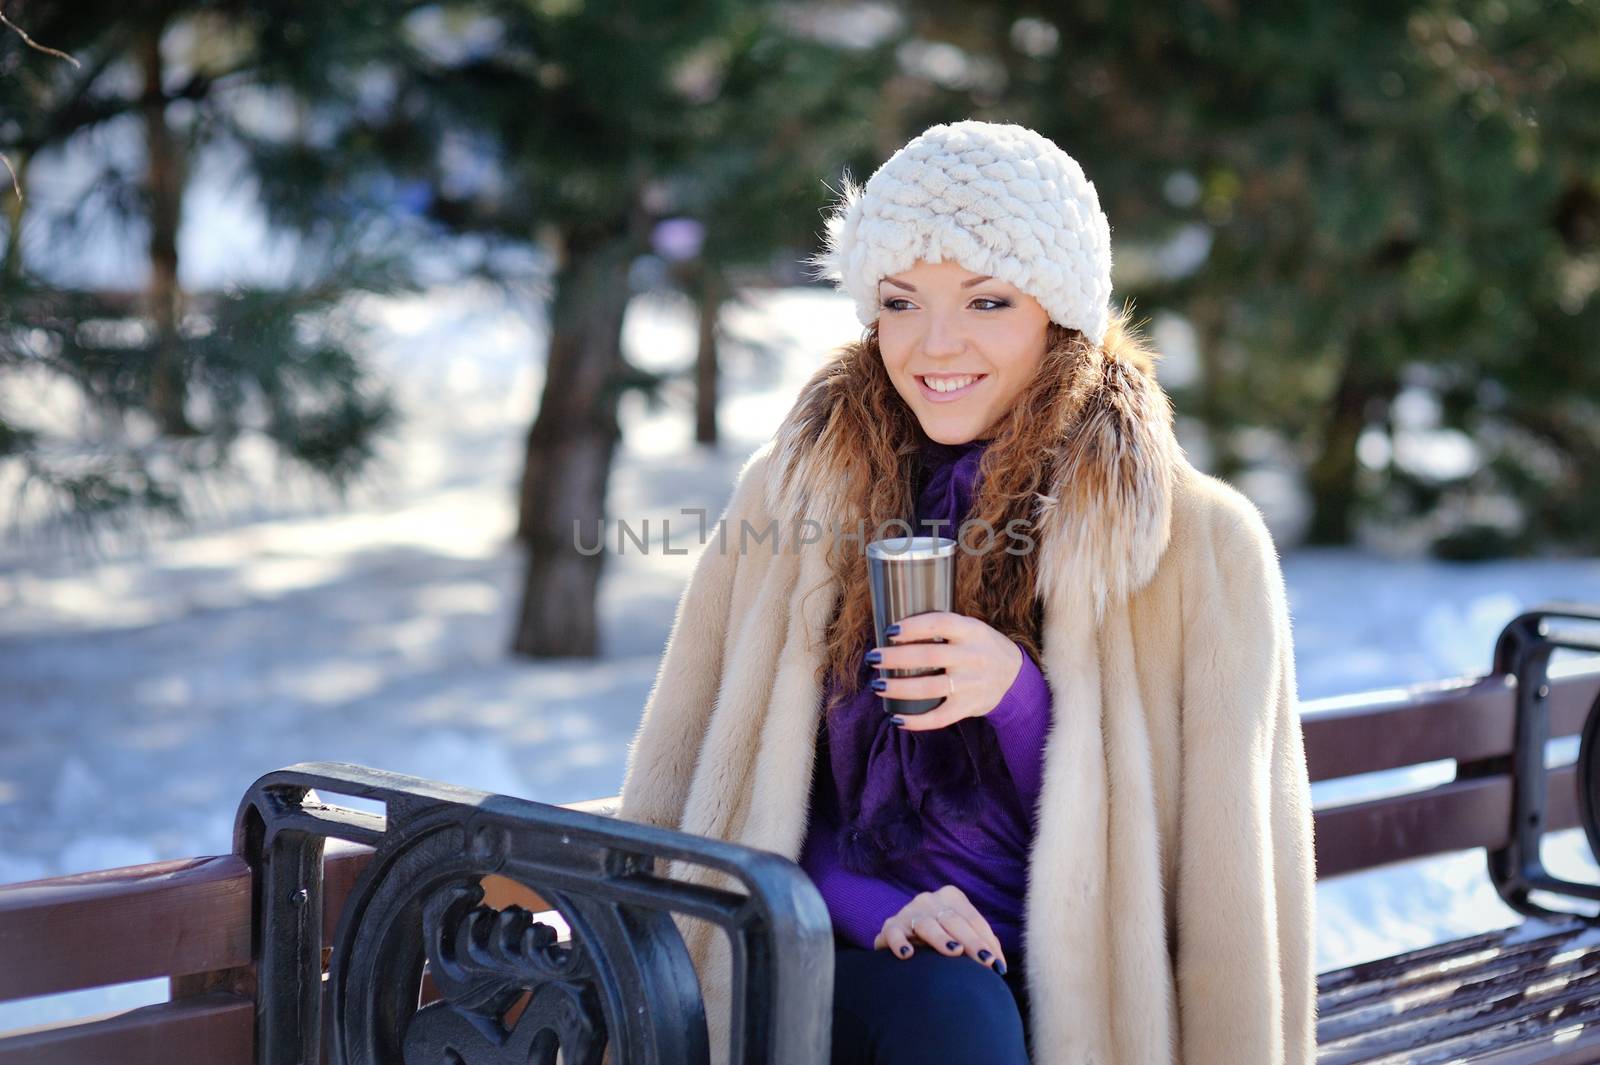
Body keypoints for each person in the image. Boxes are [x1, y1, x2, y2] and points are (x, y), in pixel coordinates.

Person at [616, 119, 1316, 1065]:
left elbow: (1198, 880)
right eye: (902, 302)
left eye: (987, 301)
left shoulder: (1199, 545)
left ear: (1059, 314)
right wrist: (885, 907)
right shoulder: (793, 498)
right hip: (835, 959)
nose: (934, 346)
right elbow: (737, 794)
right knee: (952, 1009)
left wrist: (1019, 698)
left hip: (1096, 998)